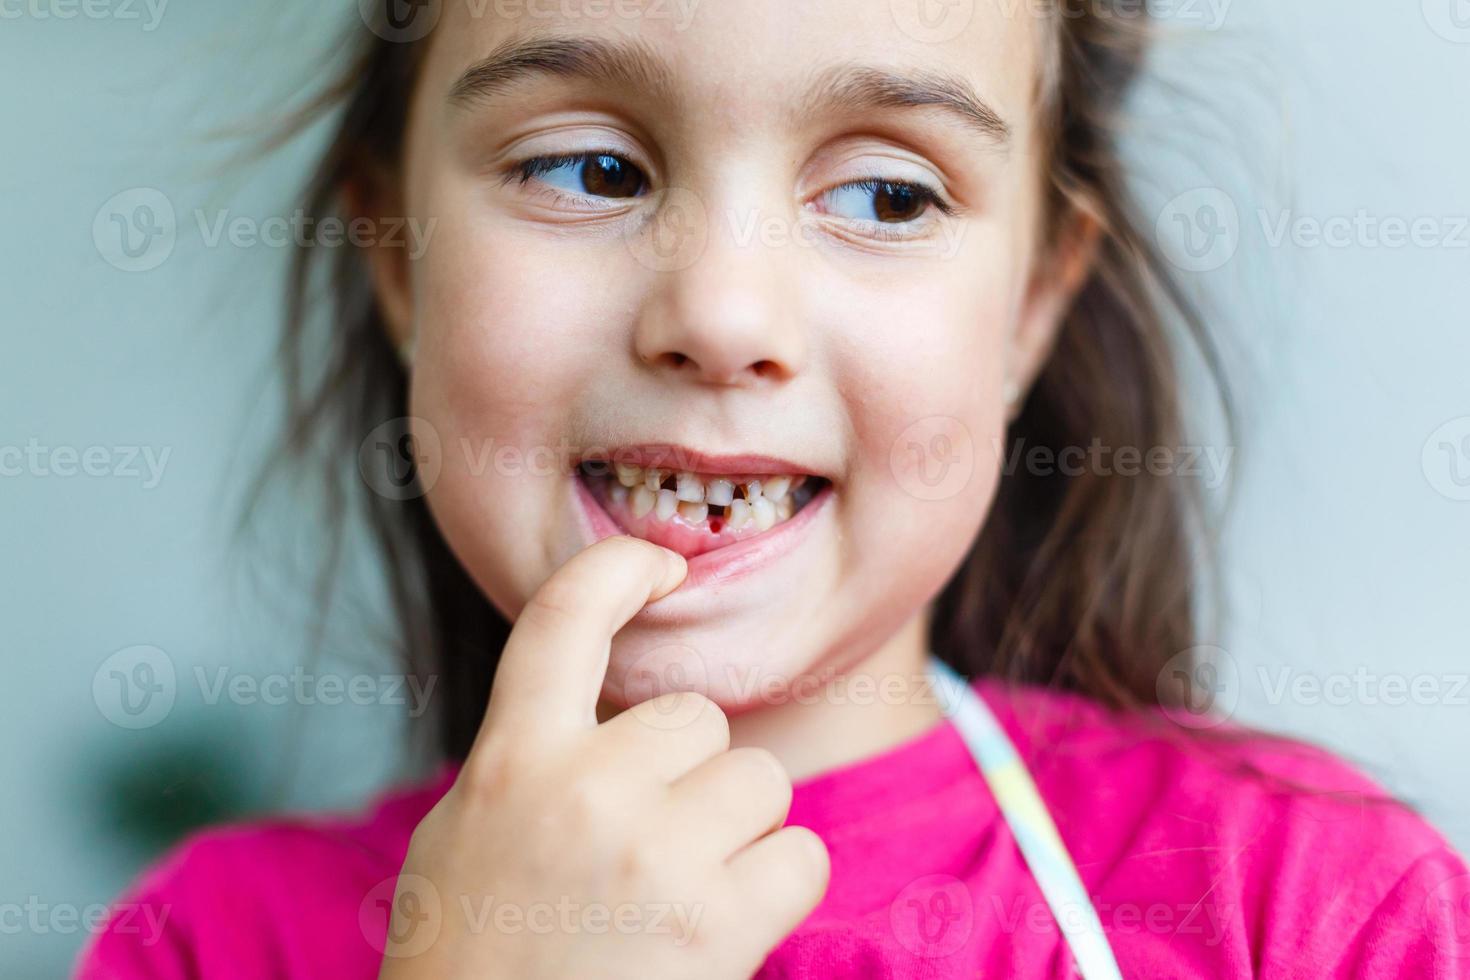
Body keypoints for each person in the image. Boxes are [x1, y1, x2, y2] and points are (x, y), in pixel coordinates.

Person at [78, 0, 1470, 976]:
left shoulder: (1306, 913)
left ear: (1030, 307)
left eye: (886, 196)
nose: (723, 311)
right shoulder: (211, 944)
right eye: (589, 168)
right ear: (398, 260)